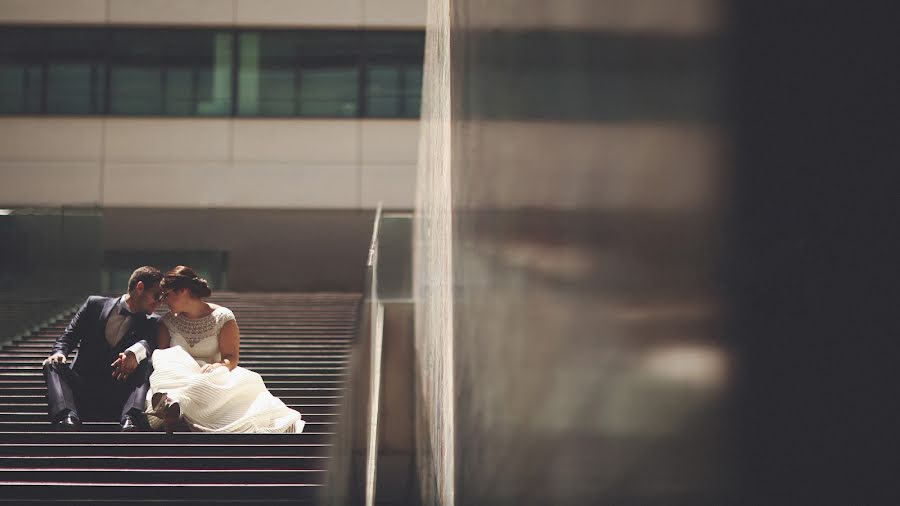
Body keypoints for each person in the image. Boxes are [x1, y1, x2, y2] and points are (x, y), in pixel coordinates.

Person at [146, 266, 304, 433]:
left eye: (166, 295)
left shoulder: (222, 317)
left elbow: (231, 357)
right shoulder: (166, 322)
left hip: (210, 376)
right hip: (176, 377)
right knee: (168, 359)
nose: (163, 301)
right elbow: (162, 360)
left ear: (183, 290)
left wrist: (219, 366)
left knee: (203, 383)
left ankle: (175, 406)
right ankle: (173, 405)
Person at [42, 266, 162, 431]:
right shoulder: (94, 305)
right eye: (157, 295)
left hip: (118, 398)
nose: (160, 302)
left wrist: (136, 352)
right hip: (82, 391)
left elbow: (149, 342)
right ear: (140, 287)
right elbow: (68, 336)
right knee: (52, 364)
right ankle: (66, 416)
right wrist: (59, 353)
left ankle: (132, 419)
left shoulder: (153, 322)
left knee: (147, 362)